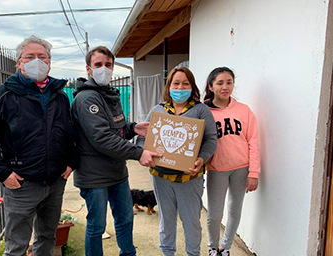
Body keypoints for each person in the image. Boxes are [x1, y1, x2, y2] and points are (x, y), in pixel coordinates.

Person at [0, 35, 78, 256]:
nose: (37, 61)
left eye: (42, 57)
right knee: (17, 245)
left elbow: (70, 133)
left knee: (47, 237)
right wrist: (2, 173)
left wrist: (71, 162)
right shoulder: (2, 95)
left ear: (49, 62)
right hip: (21, 184)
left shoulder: (59, 96)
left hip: (55, 181)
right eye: (30, 57)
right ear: (18, 63)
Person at [71, 46, 161, 256]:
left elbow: (115, 129)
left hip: (116, 171)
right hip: (94, 175)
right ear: (88, 69)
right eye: (98, 65)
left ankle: (128, 253)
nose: (105, 69)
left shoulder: (109, 94)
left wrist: (132, 128)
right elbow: (101, 138)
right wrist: (139, 153)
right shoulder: (87, 99)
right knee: (97, 226)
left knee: (125, 218)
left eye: (108, 65)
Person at [137, 66, 218, 256]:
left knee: (191, 222)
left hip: (190, 178)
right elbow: (143, 138)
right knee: (166, 220)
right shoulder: (157, 110)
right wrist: (144, 154)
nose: (180, 88)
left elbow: (211, 139)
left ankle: (193, 253)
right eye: (176, 83)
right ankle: (167, 253)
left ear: (192, 86)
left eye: (185, 84)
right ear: (169, 86)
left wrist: (201, 158)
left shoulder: (201, 110)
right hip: (160, 177)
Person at [203, 67, 260, 256]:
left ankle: (226, 248)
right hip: (217, 169)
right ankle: (213, 247)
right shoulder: (203, 110)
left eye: (229, 82)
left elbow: (253, 142)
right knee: (214, 214)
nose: (225, 87)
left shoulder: (244, 111)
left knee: (235, 211)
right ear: (211, 86)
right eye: (220, 83)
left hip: (241, 169)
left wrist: (253, 173)